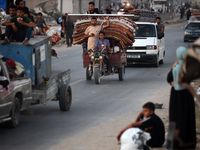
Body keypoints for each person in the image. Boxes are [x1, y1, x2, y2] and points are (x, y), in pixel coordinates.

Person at [167, 46, 196, 149]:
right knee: (187, 118)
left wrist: (172, 69)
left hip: (176, 96)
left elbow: (169, 79)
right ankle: (189, 143)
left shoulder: (176, 66)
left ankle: (172, 144)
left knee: (174, 119)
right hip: (187, 95)